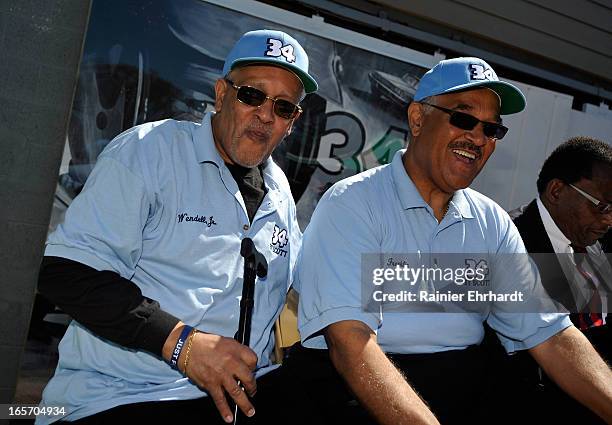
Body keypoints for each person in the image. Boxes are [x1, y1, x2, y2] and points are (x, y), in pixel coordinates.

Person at [291, 57, 612, 424]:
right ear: (417, 119)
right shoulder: (352, 203)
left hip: (460, 396)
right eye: (463, 118)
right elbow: (351, 346)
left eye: (491, 129)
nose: (477, 137)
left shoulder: (492, 223)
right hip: (357, 398)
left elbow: (551, 334)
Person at [36, 29, 317, 424]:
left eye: (284, 107)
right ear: (221, 94)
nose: (266, 114)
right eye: (251, 95)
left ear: (292, 122)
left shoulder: (279, 191)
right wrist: (183, 344)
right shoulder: (150, 151)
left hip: (240, 398)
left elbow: (310, 286)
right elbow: (66, 271)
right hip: (123, 397)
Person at [510, 137, 611, 423]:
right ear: (556, 191)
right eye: (602, 207)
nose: (609, 221)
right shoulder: (508, 244)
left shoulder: (592, 241)